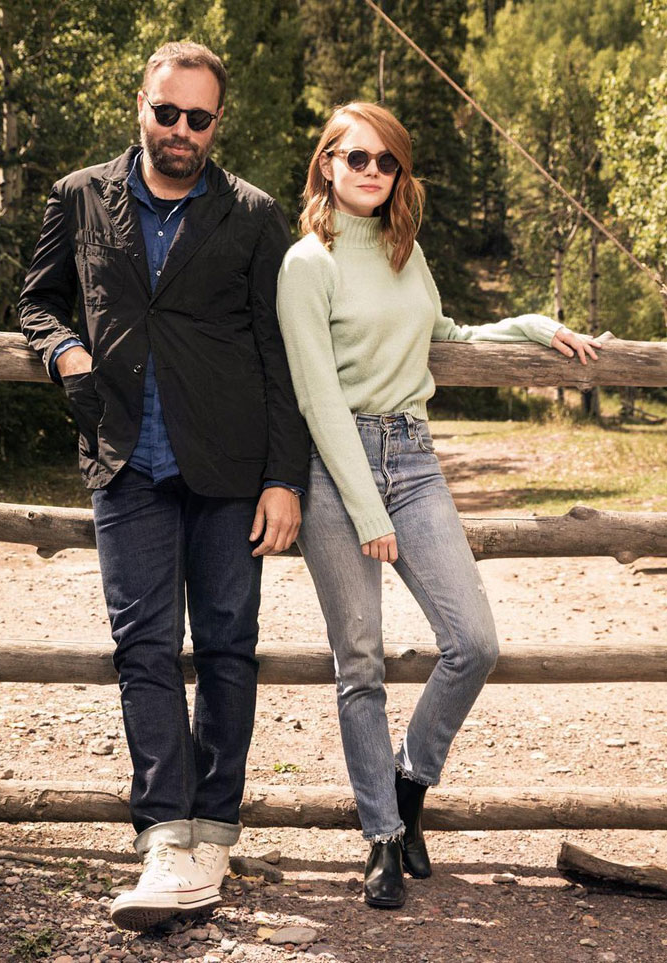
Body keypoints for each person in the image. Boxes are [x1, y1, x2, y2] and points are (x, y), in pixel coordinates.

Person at [276, 102, 601, 909]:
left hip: (414, 457)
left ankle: (409, 783)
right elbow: (318, 398)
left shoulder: (404, 250)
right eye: (357, 158)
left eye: (387, 162)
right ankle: (382, 836)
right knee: (360, 660)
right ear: (327, 164)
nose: (372, 172)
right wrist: (367, 511)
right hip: (336, 470)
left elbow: (444, 334)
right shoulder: (305, 264)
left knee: (474, 640)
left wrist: (531, 328)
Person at [19, 42, 309, 931]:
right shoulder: (77, 196)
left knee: (227, 648)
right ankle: (163, 834)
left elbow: (281, 357)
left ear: (218, 124)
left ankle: (213, 828)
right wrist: (64, 350)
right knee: (142, 649)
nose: (181, 129)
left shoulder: (255, 215)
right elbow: (37, 302)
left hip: (228, 468)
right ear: (141, 106)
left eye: (199, 117)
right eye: (167, 111)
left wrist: (283, 478)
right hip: (124, 461)